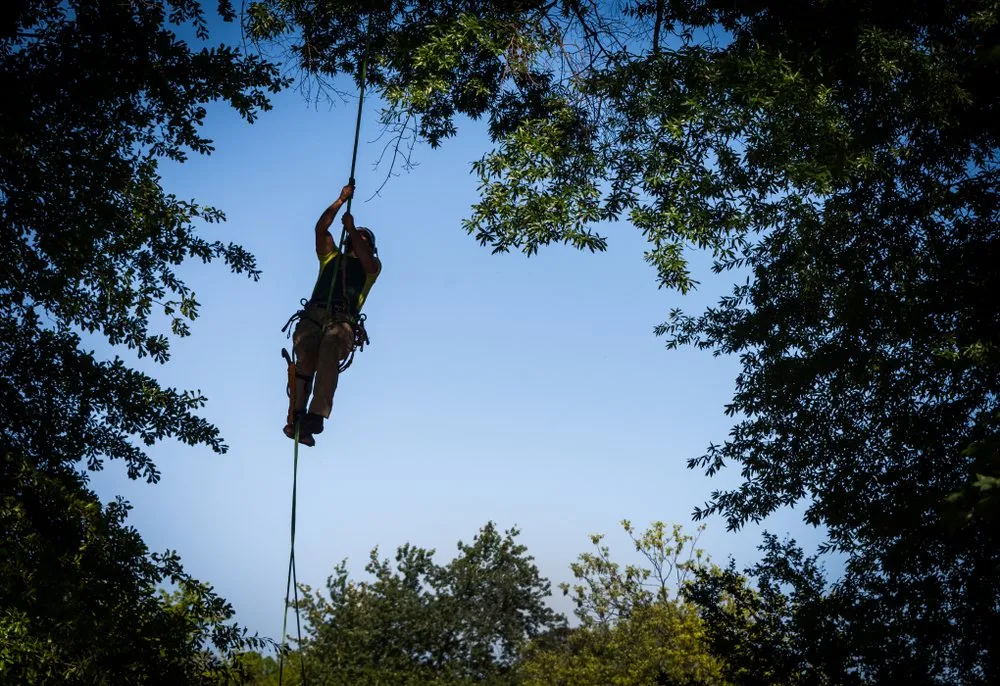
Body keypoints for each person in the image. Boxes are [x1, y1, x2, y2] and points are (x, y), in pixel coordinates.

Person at [283, 182, 381, 446]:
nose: (358, 240)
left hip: (341, 322)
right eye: (355, 238)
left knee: (328, 352)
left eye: (363, 239)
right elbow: (320, 230)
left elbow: (367, 259)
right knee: (305, 359)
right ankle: (298, 416)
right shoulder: (331, 258)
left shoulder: (371, 269)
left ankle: (316, 415)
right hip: (314, 316)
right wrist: (340, 201)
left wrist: (352, 228)